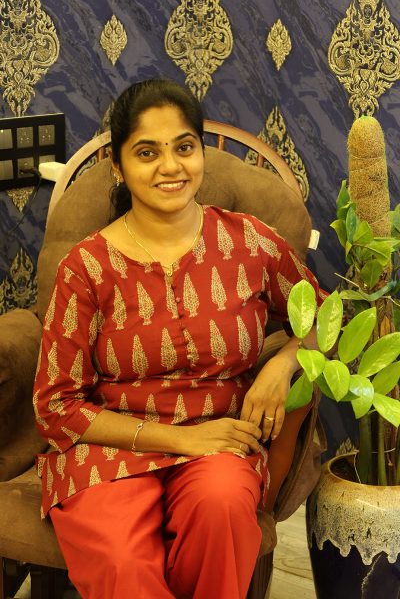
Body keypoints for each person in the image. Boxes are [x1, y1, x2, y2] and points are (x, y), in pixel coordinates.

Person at [34, 78, 327, 599]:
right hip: (109, 449)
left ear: (200, 154)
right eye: (147, 152)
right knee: (122, 561)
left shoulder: (248, 242)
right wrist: (183, 440)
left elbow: (328, 319)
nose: (170, 167)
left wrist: (284, 363)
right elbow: (56, 407)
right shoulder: (87, 267)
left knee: (222, 508)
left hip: (221, 442)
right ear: (118, 167)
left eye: (184, 147)